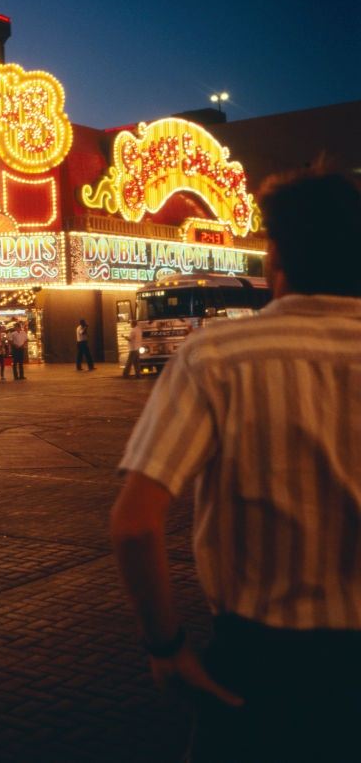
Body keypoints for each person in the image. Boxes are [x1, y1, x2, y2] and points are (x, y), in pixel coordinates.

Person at [110, 166, 361, 762]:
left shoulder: (216, 357)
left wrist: (166, 645)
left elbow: (135, 523)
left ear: (275, 255)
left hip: (261, 661)